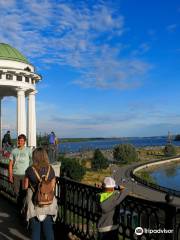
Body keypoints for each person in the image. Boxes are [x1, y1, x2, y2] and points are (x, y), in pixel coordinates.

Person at [24, 147, 58, 240]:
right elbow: (52, 186)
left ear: (34, 157)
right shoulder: (50, 169)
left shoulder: (30, 170)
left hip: (34, 204)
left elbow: (25, 186)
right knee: (49, 231)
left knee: (35, 231)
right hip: (48, 203)